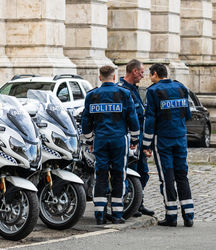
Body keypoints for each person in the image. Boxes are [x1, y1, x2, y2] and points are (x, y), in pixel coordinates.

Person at [81, 65, 140, 225]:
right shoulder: (124, 94)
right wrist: (135, 140)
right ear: (114, 78)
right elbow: (133, 119)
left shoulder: (91, 95)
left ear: (100, 77)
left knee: (100, 175)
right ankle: (117, 214)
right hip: (119, 140)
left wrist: (90, 141)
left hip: (100, 140)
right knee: (118, 175)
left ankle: (99, 215)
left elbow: (85, 122)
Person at [142, 63, 194, 227]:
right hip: (180, 137)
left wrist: (146, 144)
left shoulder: (153, 90)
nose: (150, 78)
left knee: (167, 177)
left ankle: (171, 216)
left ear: (155, 74)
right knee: (182, 175)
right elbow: (188, 114)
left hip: (163, 140)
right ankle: (189, 215)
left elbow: (150, 119)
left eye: (150, 75)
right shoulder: (181, 87)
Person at [118, 59, 154, 217]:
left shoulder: (134, 90)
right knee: (131, 172)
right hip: (128, 137)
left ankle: (138, 202)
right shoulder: (122, 90)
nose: (143, 75)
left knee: (143, 172)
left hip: (138, 137)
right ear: (134, 71)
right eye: (141, 72)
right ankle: (129, 203)